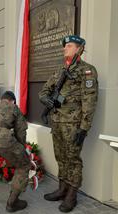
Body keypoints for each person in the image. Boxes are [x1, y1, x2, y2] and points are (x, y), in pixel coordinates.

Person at [39, 35, 98, 212]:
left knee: (73, 159)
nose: (65, 48)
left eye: (69, 45)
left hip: (73, 124)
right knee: (61, 157)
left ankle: (72, 195)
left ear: (79, 48)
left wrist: (84, 128)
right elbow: (44, 91)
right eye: (65, 46)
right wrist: (46, 101)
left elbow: (90, 101)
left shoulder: (87, 71)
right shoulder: (59, 69)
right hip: (57, 122)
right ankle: (62, 189)